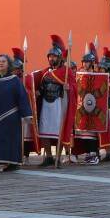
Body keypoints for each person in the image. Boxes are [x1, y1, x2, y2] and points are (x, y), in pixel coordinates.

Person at [31, 35, 76, 167]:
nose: (51, 58)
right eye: (50, 56)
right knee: (44, 130)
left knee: (59, 131)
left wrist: (69, 88)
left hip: (58, 104)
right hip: (46, 104)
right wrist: (38, 92)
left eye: (54, 56)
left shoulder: (66, 72)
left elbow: (74, 88)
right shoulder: (45, 72)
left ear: (60, 58)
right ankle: (49, 157)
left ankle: (58, 157)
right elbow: (40, 86)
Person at [74, 43, 105, 165]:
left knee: (92, 131)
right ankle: (88, 153)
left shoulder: (98, 76)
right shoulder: (80, 75)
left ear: (91, 63)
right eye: (84, 62)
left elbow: (101, 90)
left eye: (87, 62)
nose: (85, 64)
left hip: (94, 108)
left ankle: (94, 154)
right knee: (84, 133)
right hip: (83, 107)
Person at [11, 47, 40, 163]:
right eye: (13, 69)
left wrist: (26, 92)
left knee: (26, 135)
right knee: (16, 135)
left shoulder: (27, 78)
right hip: (14, 110)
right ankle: (17, 156)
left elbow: (31, 92)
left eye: (17, 69)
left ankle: (26, 156)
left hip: (25, 110)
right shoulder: (11, 79)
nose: (15, 71)